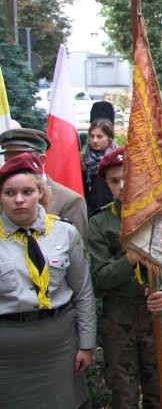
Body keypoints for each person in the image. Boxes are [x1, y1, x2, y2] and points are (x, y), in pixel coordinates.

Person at [0, 153, 96, 409]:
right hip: (6, 356)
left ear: (40, 192)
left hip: (59, 349)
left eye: (27, 191)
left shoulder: (65, 232)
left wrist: (87, 344)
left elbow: (83, 291)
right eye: (10, 193)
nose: (19, 199)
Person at [87, 148, 162, 409]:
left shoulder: (160, 214)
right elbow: (101, 278)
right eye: (114, 181)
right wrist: (131, 257)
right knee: (123, 390)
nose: (122, 186)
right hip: (119, 316)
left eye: (128, 177)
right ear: (107, 183)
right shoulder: (101, 223)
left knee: (159, 388)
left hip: (155, 313)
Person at [0, 128, 88, 239]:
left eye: (21, 160)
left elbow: (77, 250)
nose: (13, 167)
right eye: (8, 161)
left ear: (41, 160)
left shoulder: (69, 201)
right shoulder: (3, 196)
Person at [81, 118, 119, 215]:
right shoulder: (83, 159)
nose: (95, 140)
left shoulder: (118, 159)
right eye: (92, 136)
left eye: (99, 136)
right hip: (90, 210)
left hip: (113, 209)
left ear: (109, 138)